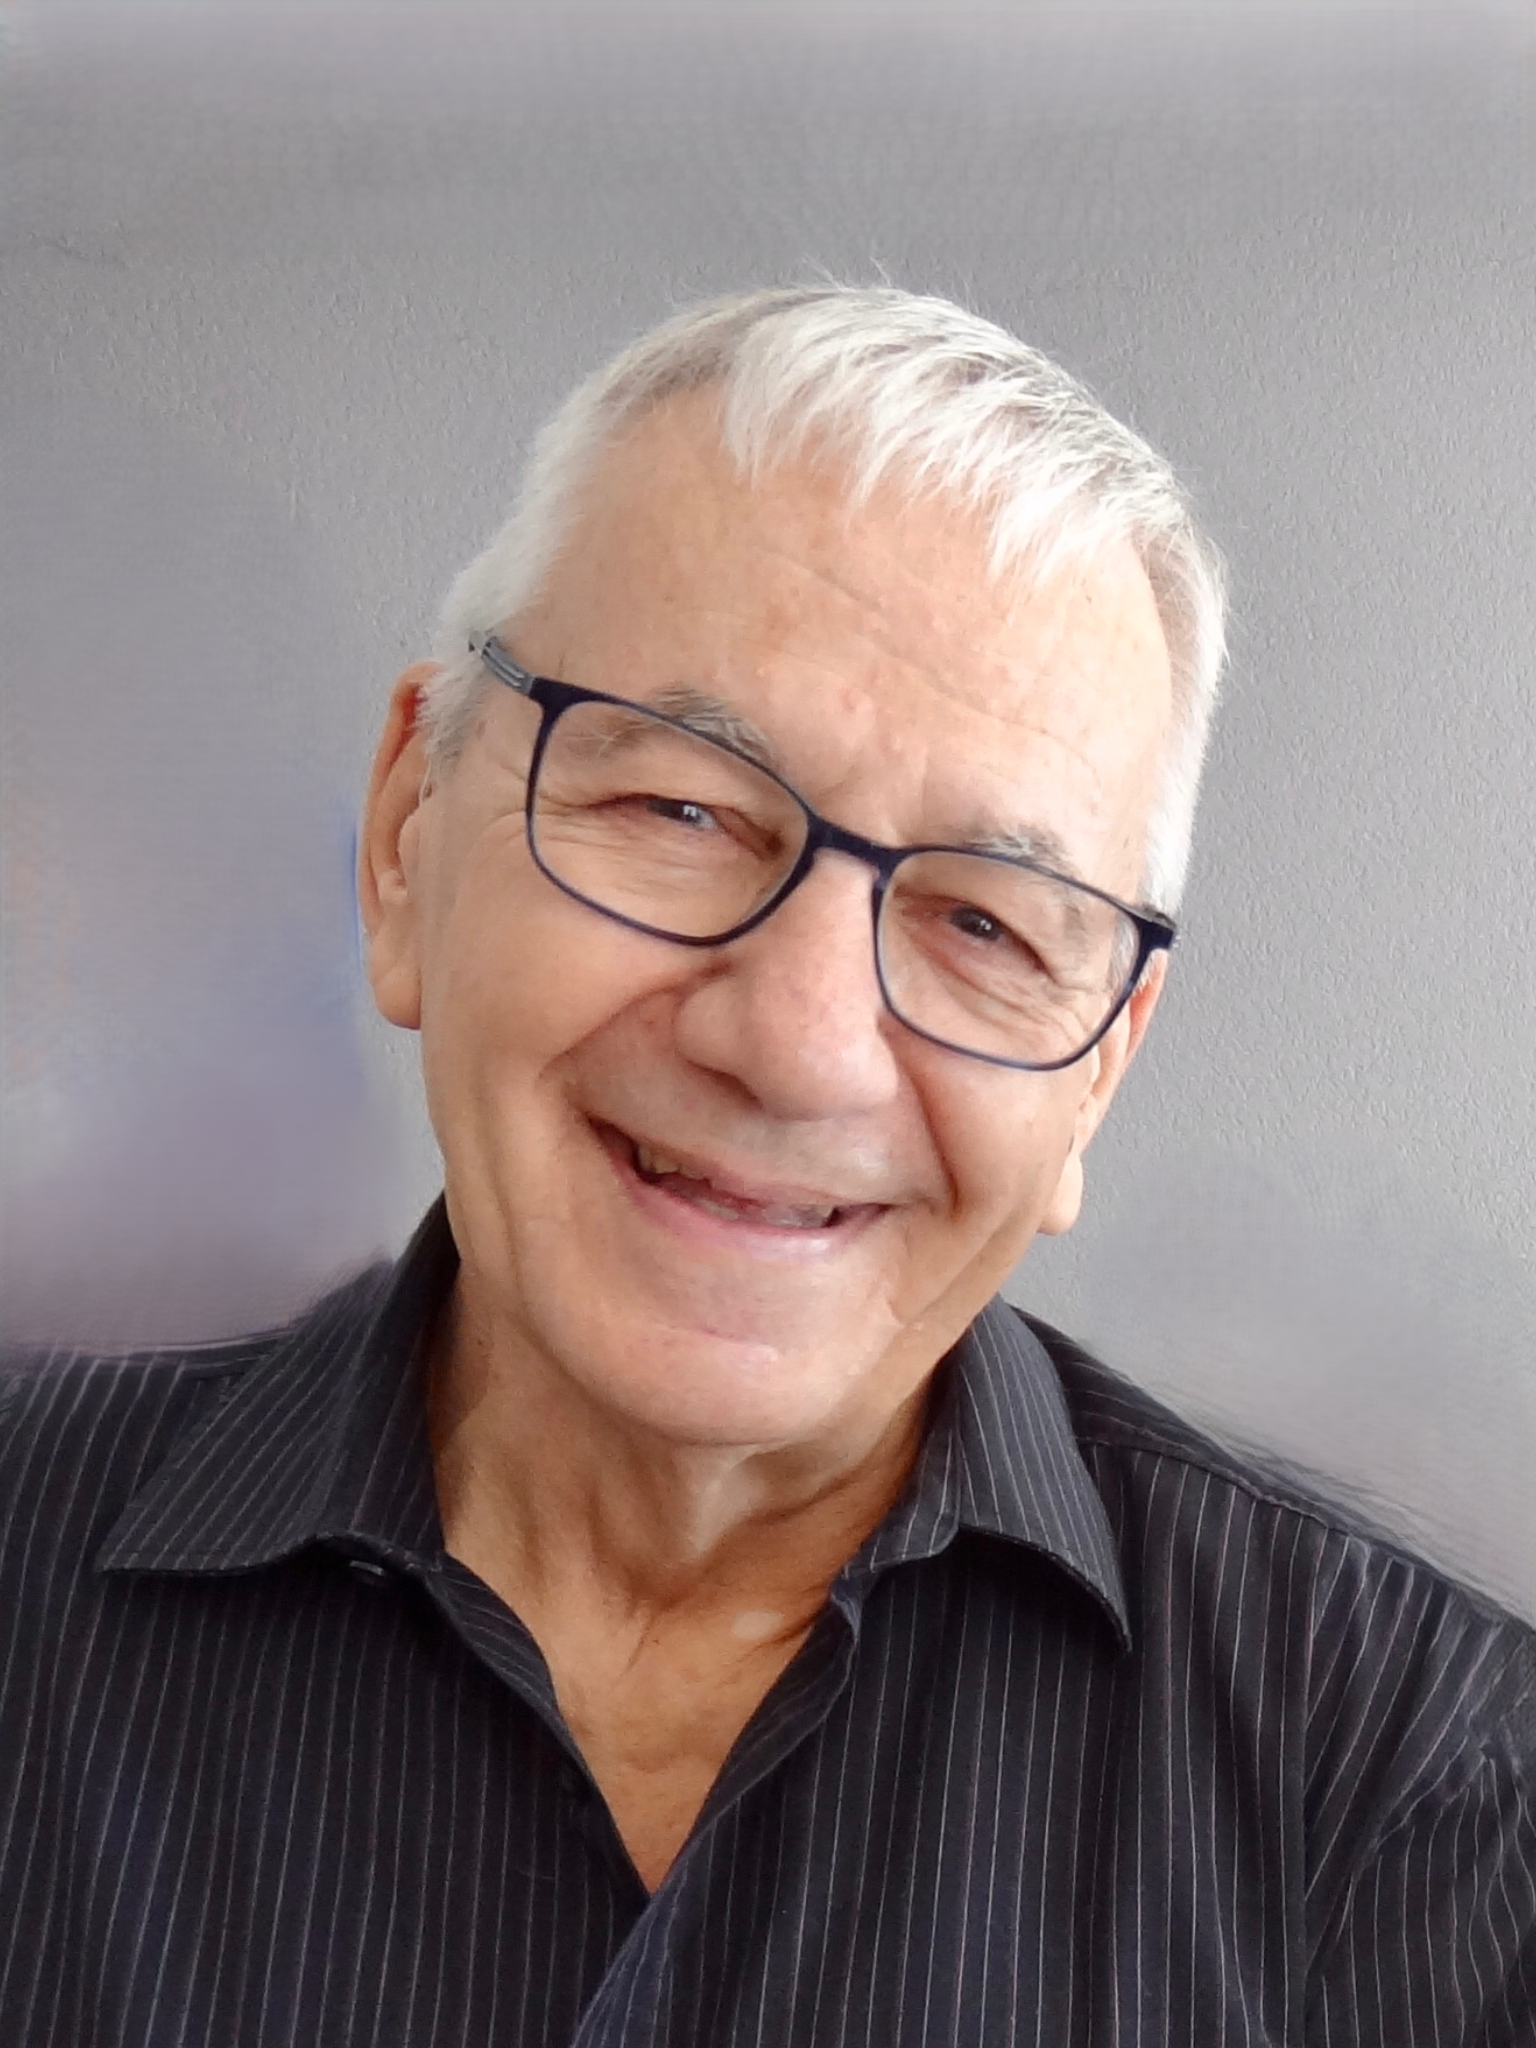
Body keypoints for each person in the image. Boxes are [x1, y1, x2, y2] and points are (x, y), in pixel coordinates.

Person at [1, 285, 1531, 2048]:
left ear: (1100, 1068)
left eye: (987, 923)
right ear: (410, 837)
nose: (797, 1046)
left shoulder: (1429, 1793)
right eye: (680, 810)